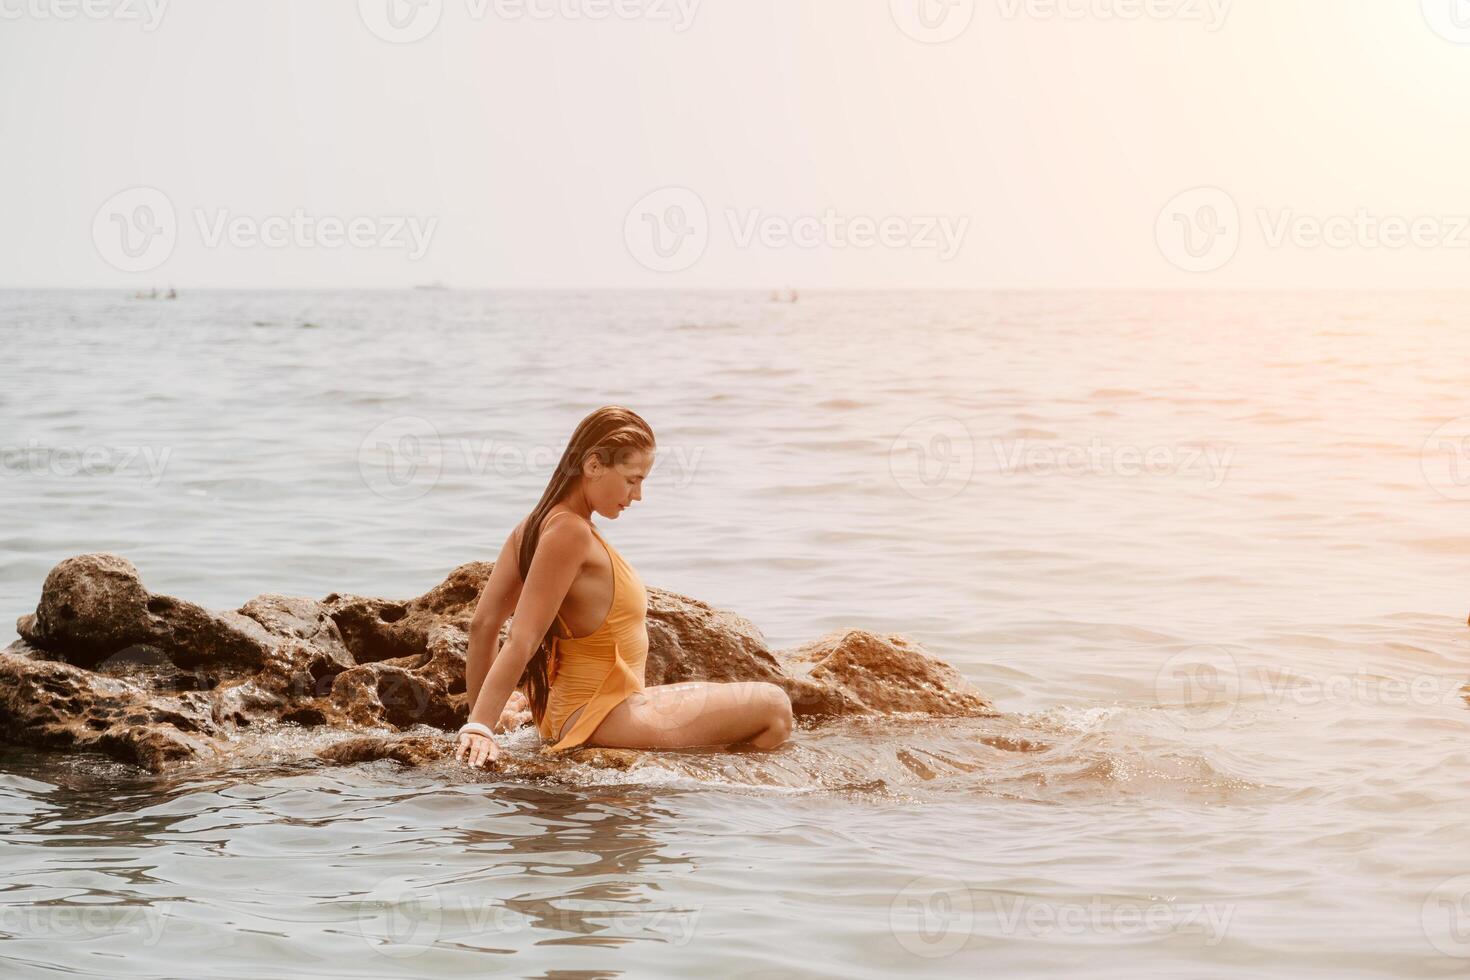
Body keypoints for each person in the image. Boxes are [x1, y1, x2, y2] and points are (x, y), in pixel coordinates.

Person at [455, 406, 793, 769]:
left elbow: (483, 626)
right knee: (775, 707)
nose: (638, 495)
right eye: (633, 479)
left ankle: (697, 774)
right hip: (601, 715)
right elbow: (523, 637)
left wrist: (480, 717)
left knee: (753, 700)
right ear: (593, 465)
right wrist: (480, 728)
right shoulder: (569, 532)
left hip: (598, 708)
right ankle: (711, 782)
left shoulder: (534, 525)